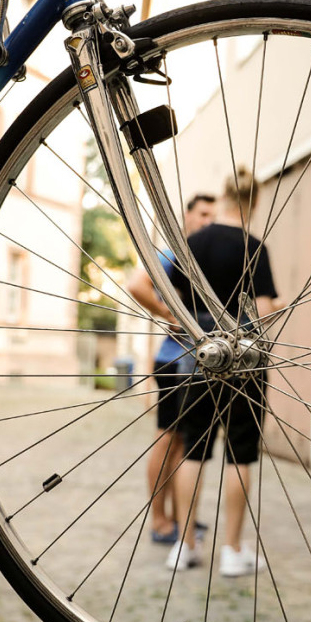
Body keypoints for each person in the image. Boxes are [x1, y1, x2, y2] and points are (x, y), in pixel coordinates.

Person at [165, 166, 284, 577]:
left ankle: (183, 545)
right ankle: (232, 551)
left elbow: (175, 296)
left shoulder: (194, 242)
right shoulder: (255, 247)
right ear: (254, 202)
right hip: (246, 356)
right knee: (240, 454)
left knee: (192, 448)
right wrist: (275, 306)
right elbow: (263, 312)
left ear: (224, 197)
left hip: (200, 352)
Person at [126, 194, 216, 543]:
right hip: (172, 361)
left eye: (212, 215)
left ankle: (182, 518)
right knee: (166, 440)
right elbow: (137, 285)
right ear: (186, 217)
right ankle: (160, 520)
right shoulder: (174, 255)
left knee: (183, 443)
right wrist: (169, 314)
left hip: (195, 364)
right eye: (202, 214)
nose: (208, 221)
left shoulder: (201, 259)